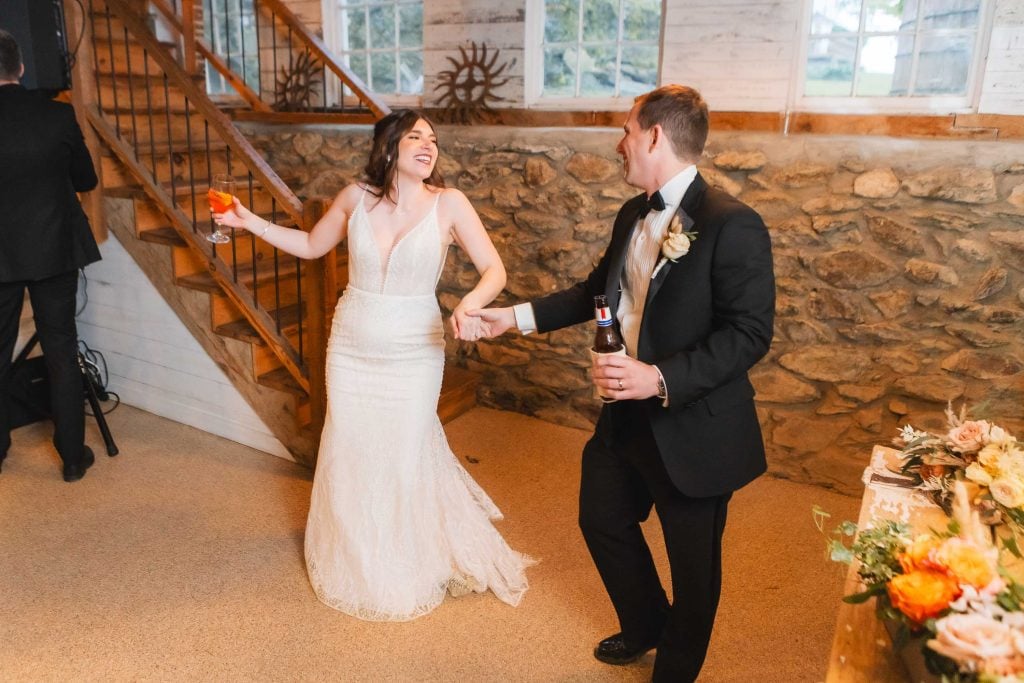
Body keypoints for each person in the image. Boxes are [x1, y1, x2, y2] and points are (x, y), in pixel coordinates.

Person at [471, 85, 775, 681]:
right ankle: (644, 624)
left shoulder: (733, 224)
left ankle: (675, 669)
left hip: (693, 428)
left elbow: (748, 334)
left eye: (627, 132)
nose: (619, 145)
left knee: (695, 570)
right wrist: (512, 318)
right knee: (600, 518)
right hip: (623, 417)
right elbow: (595, 292)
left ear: (655, 135)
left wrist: (657, 377)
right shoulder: (633, 213)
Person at [214, 109, 531, 620]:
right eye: (415, 136)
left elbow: (494, 269)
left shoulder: (449, 203)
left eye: (433, 138)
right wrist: (248, 221)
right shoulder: (354, 197)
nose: (428, 145)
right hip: (352, 347)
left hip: (414, 349)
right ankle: (356, 558)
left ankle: (405, 560)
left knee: (404, 451)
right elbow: (313, 246)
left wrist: (470, 302)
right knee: (353, 447)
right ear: (389, 147)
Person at [0, 29, 100, 482]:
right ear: (19, 67)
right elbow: (86, 181)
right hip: (54, 247)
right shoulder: (58, 117)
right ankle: (73, 457)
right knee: (60, 348)